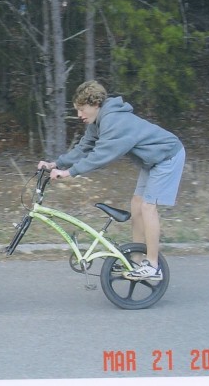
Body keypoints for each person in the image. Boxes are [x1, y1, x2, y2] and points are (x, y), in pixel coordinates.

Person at [38, 80, 185, 280]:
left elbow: (101, 155)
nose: (79, 115)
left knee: (148, 207)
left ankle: (153, 265)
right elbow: (84, 148)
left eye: (82, 109)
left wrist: (69, 173)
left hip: (167, 156)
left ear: (95, 104)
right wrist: (56, 164)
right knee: (137, 204)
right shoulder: (97, 122)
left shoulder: (114, 121)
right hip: (153, 161)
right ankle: (136, 260)